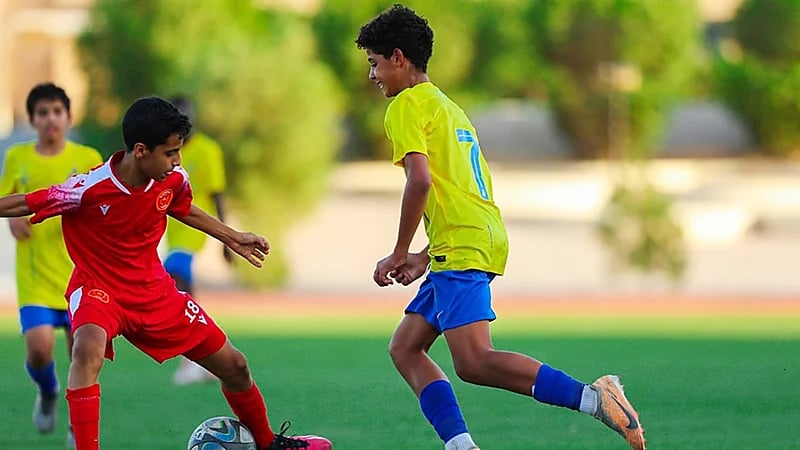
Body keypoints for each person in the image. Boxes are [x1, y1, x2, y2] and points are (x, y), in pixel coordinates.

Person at [356, 5, 646, 450]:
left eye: (374, 63)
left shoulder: (405, 106)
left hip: (460, 243)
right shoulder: (447, 106)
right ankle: (460, 445)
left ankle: (593, 397)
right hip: (475, 234)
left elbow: (421, 181)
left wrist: (399, 250)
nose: (372, 75)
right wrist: (423, 255)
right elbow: (457, 187)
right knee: (405, 348)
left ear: (398, 58)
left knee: (473, 361)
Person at [0, 96, 331, 450]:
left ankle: (268, 444)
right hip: (100, 290)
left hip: (154, 292)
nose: (177, 161)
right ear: (141, 150)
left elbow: (183, 208)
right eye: (171, 152)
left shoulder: (172, 179)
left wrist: (233, 237)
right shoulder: (89, 187)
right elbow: (27, 201)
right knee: (87, 351)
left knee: (235, 365)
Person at [0, 82, 103, 447]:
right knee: (39, 350)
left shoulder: (87, 155)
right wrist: (12, 219)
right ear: (32, 120)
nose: (50, 119)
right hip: (36, 279)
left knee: (82, 353)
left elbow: (101, 201)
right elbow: (9, 200)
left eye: (57, 111)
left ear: (68, 117)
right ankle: (47, 391)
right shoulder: (17, 158)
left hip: (80, 276)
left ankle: (79, 429)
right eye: (42, 113)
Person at [164, 95, 232, 386]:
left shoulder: (207, 150)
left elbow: (217, 194)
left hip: (195, 227)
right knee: (179, 293)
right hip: (170, 229)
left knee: (177, 275)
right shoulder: (164, 151)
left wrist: (226, 241)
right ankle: (204, 355)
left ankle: (193, 356)